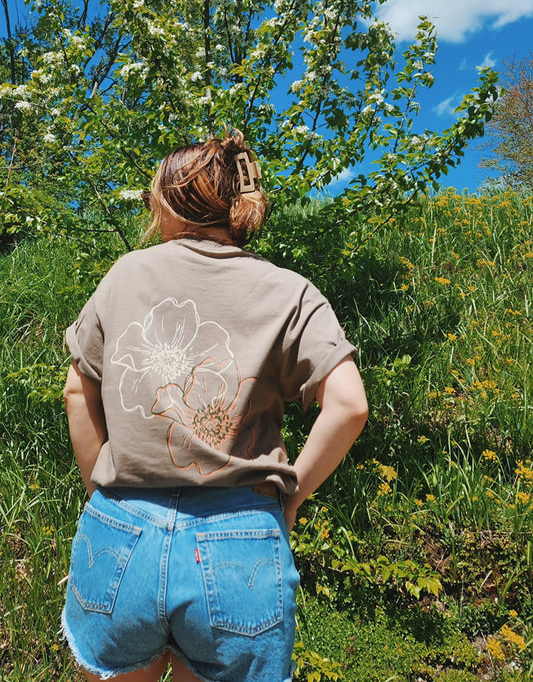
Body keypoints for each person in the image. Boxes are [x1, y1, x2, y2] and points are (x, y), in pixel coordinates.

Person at [62, 129, 368, 682]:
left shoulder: (126, 273)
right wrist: (291, 495)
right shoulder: (290, 290)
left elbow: (75, 390)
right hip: (241, 541)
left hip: (122, 529)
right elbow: (348, 405)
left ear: (169, 200)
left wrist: (104, 493)